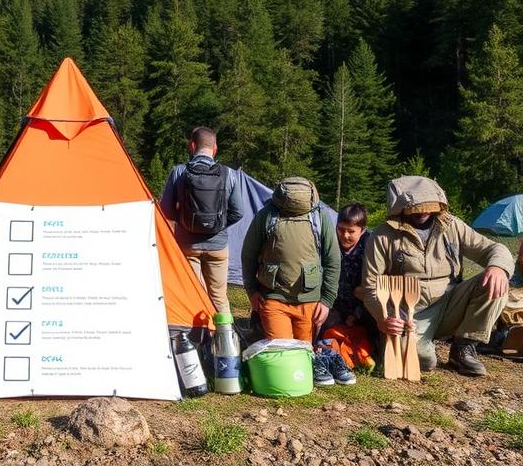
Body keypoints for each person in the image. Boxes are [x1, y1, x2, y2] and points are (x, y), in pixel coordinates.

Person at [362, 176, 514, 376]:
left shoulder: (451, 226)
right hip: (410, 311)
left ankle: (463, 348)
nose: (424, 211)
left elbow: (493, 249)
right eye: (417, 207)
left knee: (494, 283)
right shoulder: (383, 236)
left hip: (451, 302)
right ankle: (418, 344)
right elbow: (371, 287)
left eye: (429, 206)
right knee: (423, 361)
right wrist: (384, 318)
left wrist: (498, 268)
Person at [241, 176, 346, 385]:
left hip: (310, 302)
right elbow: (249, 255)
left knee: (303, 356)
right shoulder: (267, 217)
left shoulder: (319, 218)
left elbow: (333, 260)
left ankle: (320, 362)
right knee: (285, 354)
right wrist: (252, 291)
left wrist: (326, 301)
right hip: (274, 299)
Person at [160, 126, 244, 315]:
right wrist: (218, 225)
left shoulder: (179, 172)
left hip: (189, 246)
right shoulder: (228, 174)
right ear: (215, 148)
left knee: (193, 295)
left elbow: (165, 210)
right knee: (219, 297)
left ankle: (197, 341)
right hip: (218, 246)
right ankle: (224, 342)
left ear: (192, 145)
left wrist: (185, 224)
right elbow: (238, 211)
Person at [319, 203, 376, 371]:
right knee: (326, 329)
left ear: (362, 230)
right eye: (341, 229)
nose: (345, 235)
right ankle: (336, 353)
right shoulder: (329, 243)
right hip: (334, 303)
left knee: (370, 326)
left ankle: (368, 352)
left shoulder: (371, 246)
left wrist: (357, 313)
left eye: (351, 231)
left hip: (363, 304)